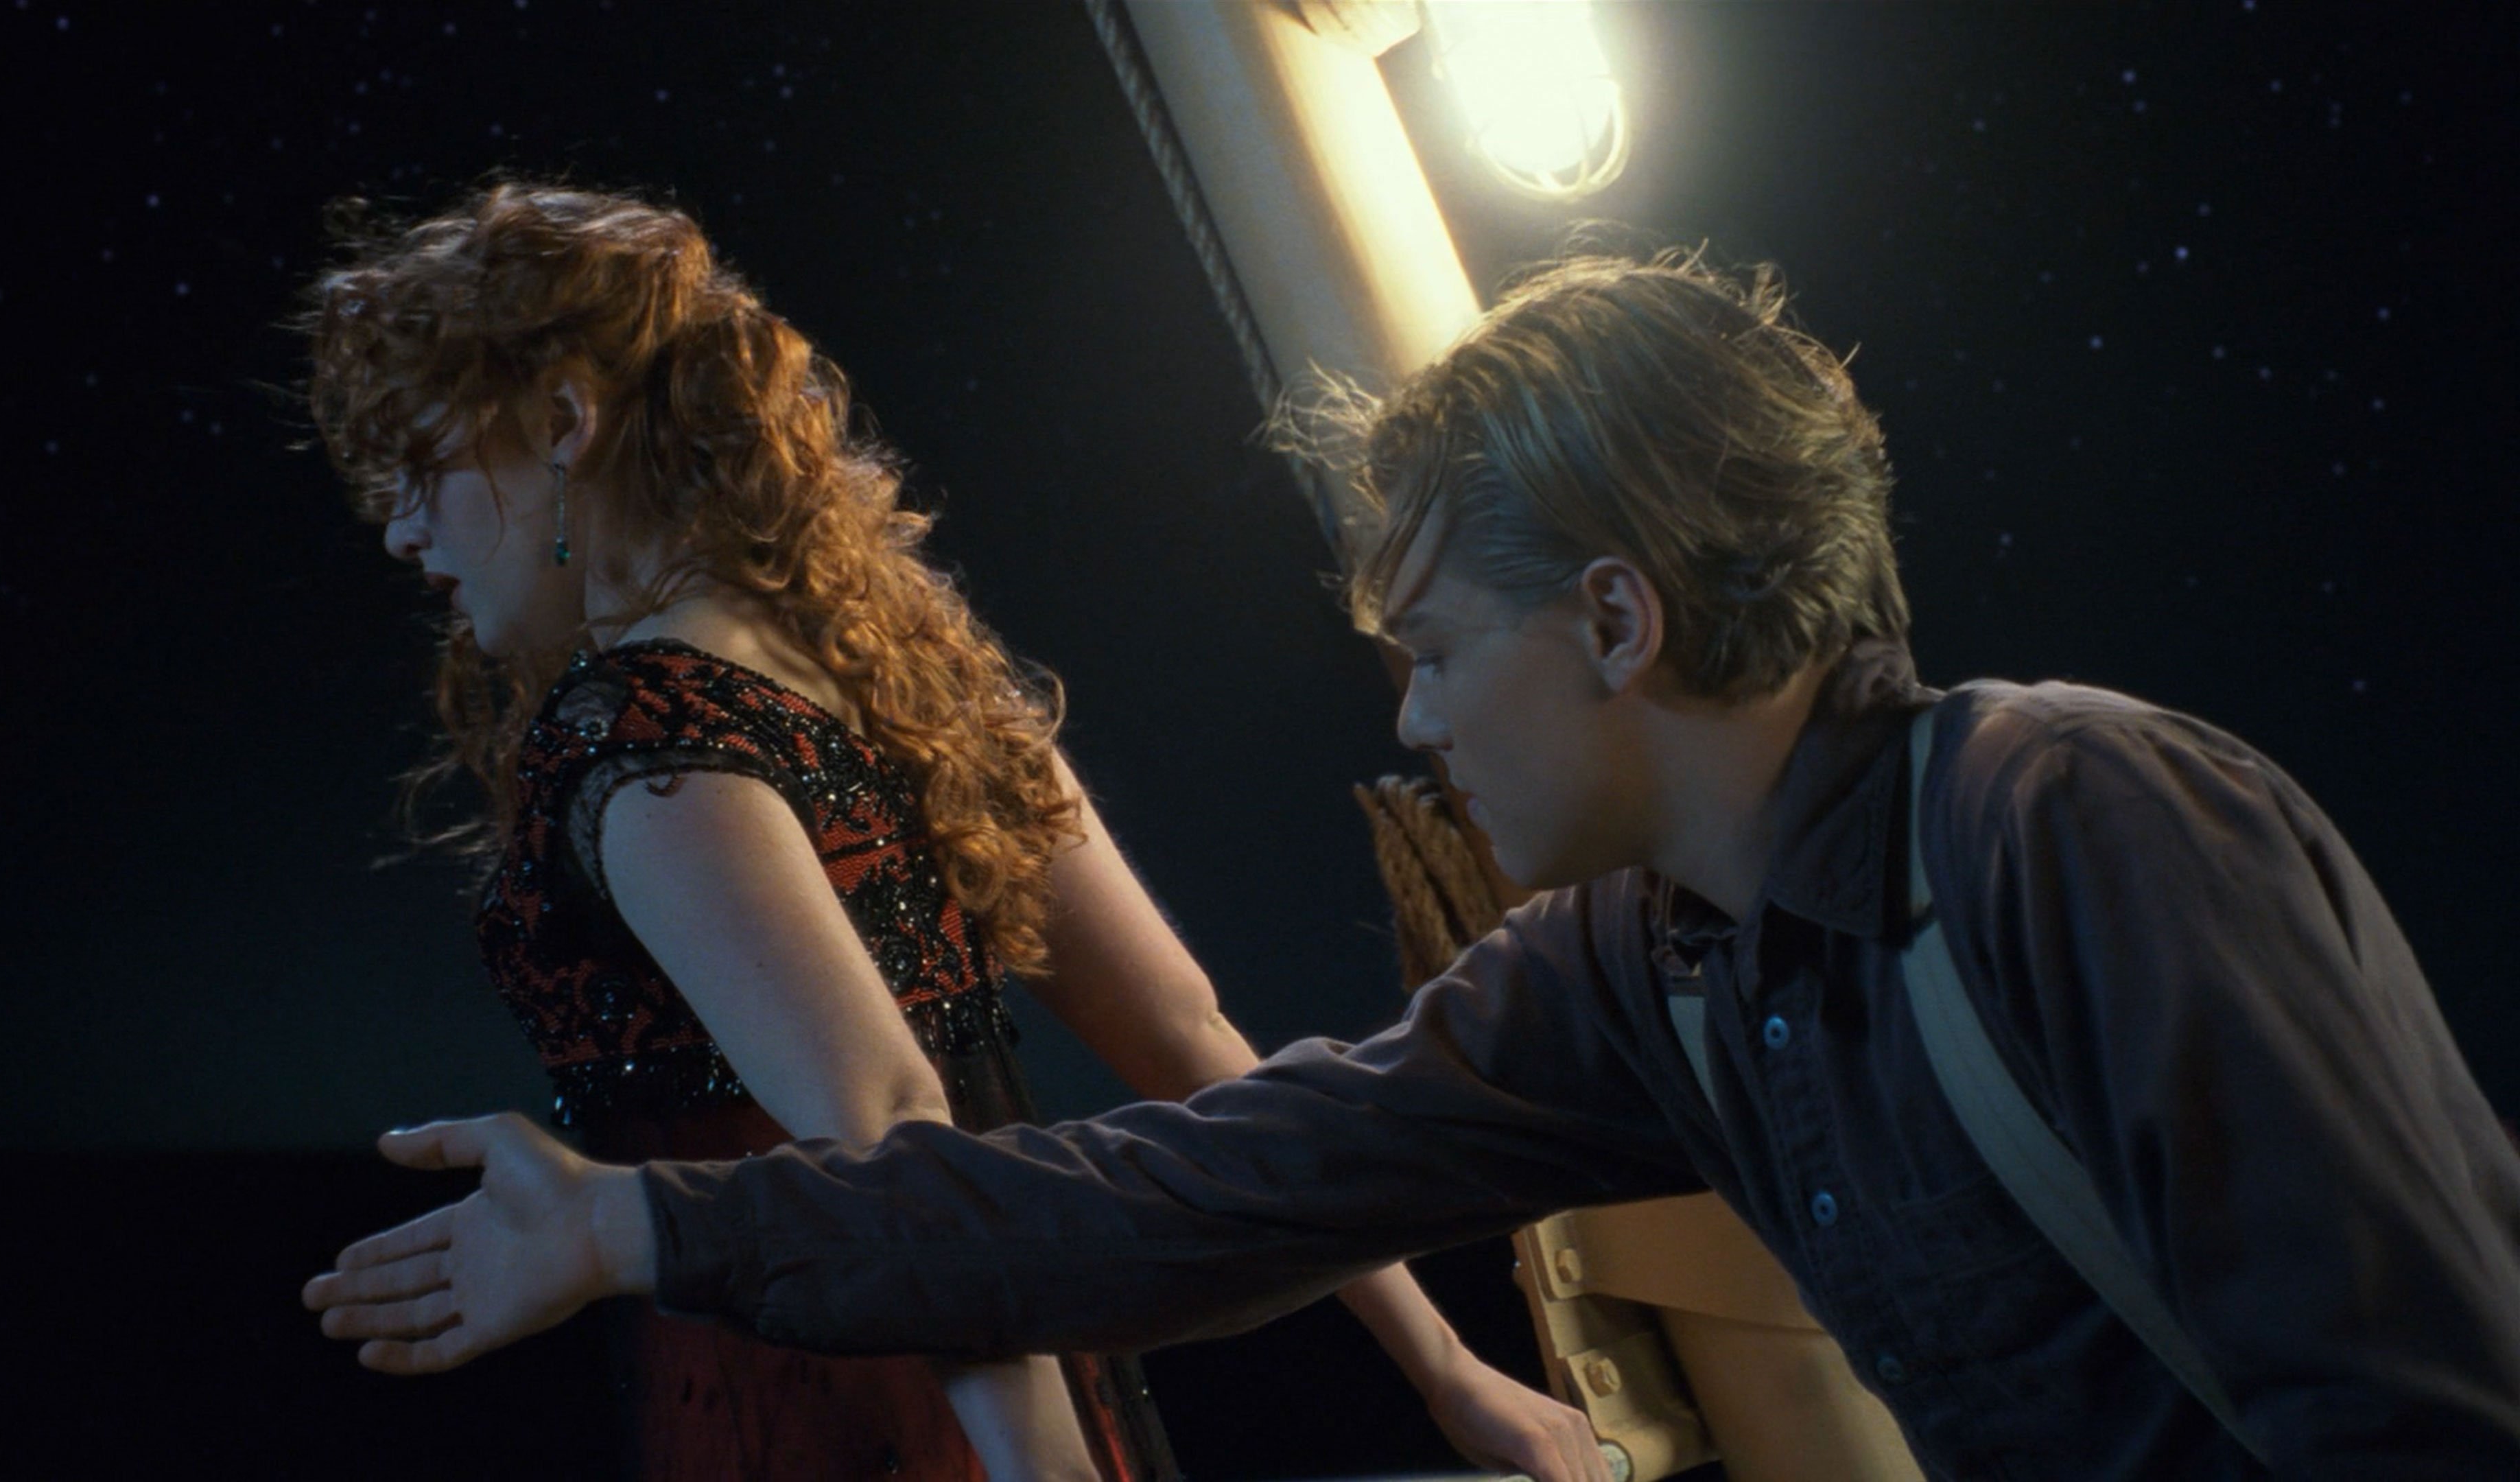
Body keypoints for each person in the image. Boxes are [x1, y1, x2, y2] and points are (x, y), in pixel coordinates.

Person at [305, 250, 2520, 1477]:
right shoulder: (1635, 972)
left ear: (1618, 619)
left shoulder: (2078, 820)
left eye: (1439, 648)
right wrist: (636, 1228)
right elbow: (1175, 1196)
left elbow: (2412, 1415)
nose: (1414, 725)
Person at [298, 181, 1605, 1482]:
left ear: (564, 422)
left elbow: (888, 1139)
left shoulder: (637, 735)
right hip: (1025, 1393)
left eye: (423, 465)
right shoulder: (908, 673)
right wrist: (1450, 1372)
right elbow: (1192, 1041)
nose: (402, 529)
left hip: (828, 1421)